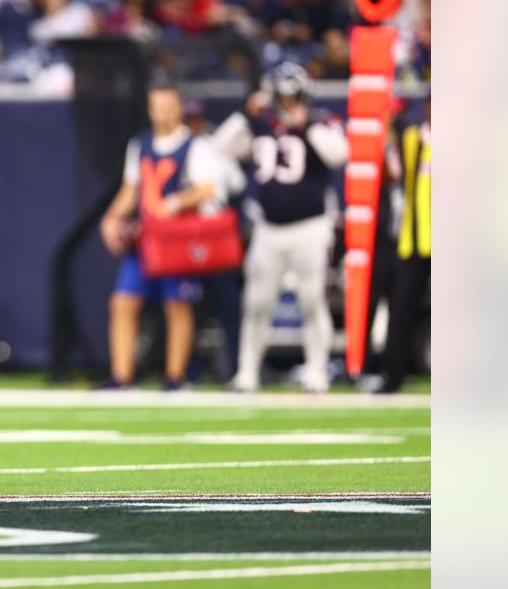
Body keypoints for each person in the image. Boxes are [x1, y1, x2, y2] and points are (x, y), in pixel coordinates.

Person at [212, 63, 349, 393]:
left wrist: (309, 126)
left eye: (293, 97)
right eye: (282, 97)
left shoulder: (322, 122)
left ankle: (316, 371)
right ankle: (247, 373)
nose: (287, 103)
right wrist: (246, 116)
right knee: (258, 302)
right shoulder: (261, 125)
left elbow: (339, 154)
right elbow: (219, 147)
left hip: (310, 228)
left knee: (311, 299)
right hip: (268, 230)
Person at [99, 85, 221, 390]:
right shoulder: (140, 144)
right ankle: (121, 375)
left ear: (179, 108)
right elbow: (131, 190)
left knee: (177, 305)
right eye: (157, 106)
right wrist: (111, 219)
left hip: (177, 239)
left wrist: (175, 203)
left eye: (168, 105)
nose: (162, 112)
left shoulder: (195, 145)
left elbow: (208, 189)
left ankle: (175, 376)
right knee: (124, 302)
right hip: (147, 239)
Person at [378, 96, 430, 393]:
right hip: (413, 237)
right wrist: (386, 136)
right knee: (401, 308)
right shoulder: (411, 138)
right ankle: (392, 375)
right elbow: (393, 174)